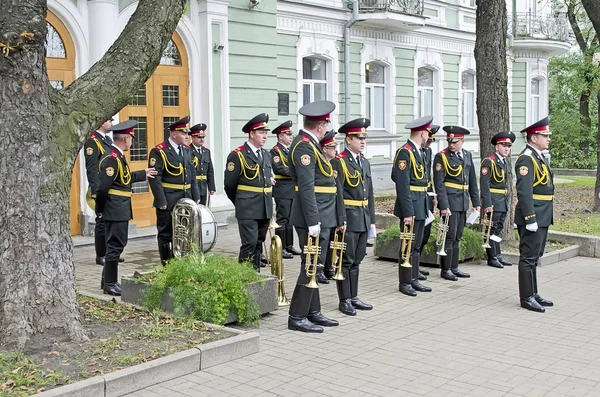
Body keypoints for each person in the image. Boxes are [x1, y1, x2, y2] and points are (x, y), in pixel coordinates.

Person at [288, 100, 344, 333]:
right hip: (312, 216)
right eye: (326, 125)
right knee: (309, 263)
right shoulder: (304, 146)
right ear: (321, 125)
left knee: (315, 263)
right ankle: (297, 316)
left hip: (322, 213)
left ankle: (313, 311)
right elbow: (307, 186)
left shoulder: (310, 145)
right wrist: (313, 221)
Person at [96, 120, 157, 295]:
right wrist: (100, 210)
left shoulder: (117, 156)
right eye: (131, 138)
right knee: (115, 246)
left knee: (114, 245)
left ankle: (104, 280)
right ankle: (110, 283)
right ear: (125, 138)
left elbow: (123, 178)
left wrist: (142, 174)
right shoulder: (111, 158)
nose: (132, 142)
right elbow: (102, 188)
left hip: (119, 208)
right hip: (114, 209)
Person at [331, 118, 374, 315]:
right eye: (358, 137)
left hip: (363, 217)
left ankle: (353, 296)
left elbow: (370, 193)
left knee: (357, 259)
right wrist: (341, 220)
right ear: (348, 140)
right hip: (349, 217)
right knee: (345, 261)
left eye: (364, 137)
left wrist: (371, 221)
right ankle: (344, 299)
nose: (363, 141)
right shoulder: (338, 162)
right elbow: (337, 193)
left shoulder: (364, 162)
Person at [224, 113, 274, 271]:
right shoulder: (238, 155)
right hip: (247, 207)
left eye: (266, 133)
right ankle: (244, 277)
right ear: (252, 134)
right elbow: (229, 185)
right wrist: (240, 202)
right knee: (249, 243)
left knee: (259, 242)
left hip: (264, 206)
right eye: (261, 133)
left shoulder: (266, 154)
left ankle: (255, 275)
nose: (265, 136)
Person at [148, 116, 200, 265]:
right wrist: (160, 200)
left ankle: (182, 263)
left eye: (187, 133)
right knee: (166, 234)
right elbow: (154, 177)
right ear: (174, 134)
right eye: (184, 133)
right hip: (168, 199)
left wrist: (195, 196)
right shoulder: (159, 151)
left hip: (186, 198)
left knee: (186, 233)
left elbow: (192, 174)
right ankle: (167, 266)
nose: (187, 136)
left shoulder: (187, 150)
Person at [515, 116, 554, 313]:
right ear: (533, 138)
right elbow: (524, 192)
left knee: (535, 256)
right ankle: (526, 297)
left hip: (543, 213)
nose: (548, 139)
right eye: (544, 135)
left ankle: (534, 292)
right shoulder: (526, 159)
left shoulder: (538, 156)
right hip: (533, 215)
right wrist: (530, 217)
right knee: (528, 257)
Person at [432, 126, 480, 281]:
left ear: (462, 141)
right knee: (449, 235)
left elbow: (472, 180)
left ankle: (454, 267)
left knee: (458, 234)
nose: (451, 144)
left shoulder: (467, 155)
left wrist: (476, 202)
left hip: (463, 200)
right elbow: (439, 184)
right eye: (449, 141)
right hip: (450, 201)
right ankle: (446, 269)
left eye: (455, 142)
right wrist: (444, 205)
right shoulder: (442, 157)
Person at [392, 116, 433, 296]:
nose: (428, 137)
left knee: (416, 245)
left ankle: (414, 278)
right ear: (423, 133)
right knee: (407, 244)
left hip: (421, 202)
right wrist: (408, 212)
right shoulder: (405, 152)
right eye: (427, 133)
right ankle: (405, 282)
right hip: (411, 205)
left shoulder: (419, 151)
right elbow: (401, 183)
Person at [84, 118, 124, 266]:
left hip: (110, 188)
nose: (112, 123)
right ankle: (101, 254)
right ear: (101, 122)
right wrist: (95, 191)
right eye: (109, 120)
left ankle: (111, 252)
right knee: (101, 222)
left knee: (110, 222)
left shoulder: (106, 140)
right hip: (100, 188)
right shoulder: (93, 141)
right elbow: (92, 168)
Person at [480, 131, 516, 269]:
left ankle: (497, 254)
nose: (506, 148)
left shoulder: (504, 162)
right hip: (494, 200)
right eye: (503, 145)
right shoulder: (489, 162)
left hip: (503, 200)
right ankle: (492, 257)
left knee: (498, 228)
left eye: (508, 146)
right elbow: (485, 184)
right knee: (491, 228)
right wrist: (487, 204)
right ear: (497, 147)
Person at [270, 120, 297, 260]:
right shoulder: (275, 151)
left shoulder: (290, 150)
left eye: (290, 134)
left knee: (290, 218)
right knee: (282, 218)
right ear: (280, 136)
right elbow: (278, 168)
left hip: (291, 188)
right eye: (287, 134)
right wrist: (295, 171)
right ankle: (280, 248)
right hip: (282, 188)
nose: (290, 137)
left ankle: (289, 245)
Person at [418, 124, 440, 280]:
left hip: (428, 196)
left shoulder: (428, 151)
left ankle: (417, 263)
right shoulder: (412, 152)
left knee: (425, 234)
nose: (429, 144)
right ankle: (412, 266)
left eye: (431, 142)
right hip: (418, 196)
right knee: (417, 235)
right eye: (428, 141)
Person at [320, 130, 338, 281]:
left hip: (332, 206)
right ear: (325, 148)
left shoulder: (331, 164)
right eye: (333, 146)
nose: (336, 149)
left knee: (331, 238)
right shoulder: (321, 165)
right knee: (323, 238)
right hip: (323, 207)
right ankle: (320, 268)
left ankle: (328, 266)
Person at [189, 123, 216, 206]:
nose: (202, 139)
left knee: (203, 209)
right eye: (199, 137)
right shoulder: (188, 151)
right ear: (192, 138)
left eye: (203, 137)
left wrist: (211, 186)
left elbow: (210, 170)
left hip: (203, 187)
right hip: (192, 187)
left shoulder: (206, 151)